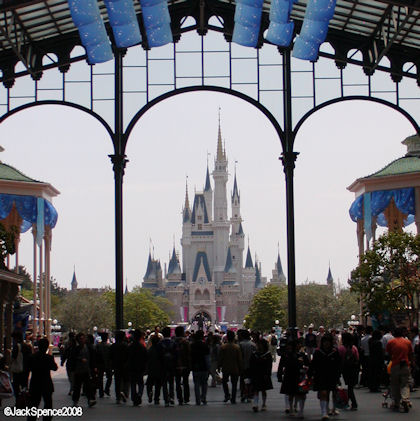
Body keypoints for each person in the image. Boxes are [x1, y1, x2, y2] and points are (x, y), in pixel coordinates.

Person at [309, 334, 341, 420]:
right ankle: (324, 411)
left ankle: (334, 408)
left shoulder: (335, 352)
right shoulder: (318, 352)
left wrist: (338, 376)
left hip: (332, 376)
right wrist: (310, 375)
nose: (326, 344)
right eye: (324, 342)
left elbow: (339, 365)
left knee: (334, 393)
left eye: (328, 342)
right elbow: (313, 365)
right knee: (324, 393)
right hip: (321, 376)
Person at [27, 338, 57, 421]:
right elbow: (55, 368)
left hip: (35, 383)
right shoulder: (49, 358)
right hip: (46, 383)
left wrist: (25, 384)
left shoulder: (32, 357)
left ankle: (31, 419)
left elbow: (27, 370)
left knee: (33, 404)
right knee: (48, 404)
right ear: (47, 347)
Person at [278, 339, 309, 418]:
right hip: (290, 376)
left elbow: (308, 365)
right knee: (291, 393)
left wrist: (308, 372)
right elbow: (281, 365)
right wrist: (280, 375)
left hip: (301, 376)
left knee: (302, 394)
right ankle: (291, 408)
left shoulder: (303, 355)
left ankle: (300, 410)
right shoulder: (287, 355)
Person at [386, 326, 414, 412]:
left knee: (395, 384)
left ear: (394, 334)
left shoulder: (391, 342)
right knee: (405, 384)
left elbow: (388, 354)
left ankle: (396, 403)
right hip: (405, 365)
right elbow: (411, 354)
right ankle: (405, 399)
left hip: (395, 365)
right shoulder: (407, 342)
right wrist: (411, 363)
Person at [69, 332, 97, 407]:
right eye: (80, 339)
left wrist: (94, 367)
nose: (82, 340)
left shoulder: (89, 348)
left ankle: (90, 399)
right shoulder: (75, 349)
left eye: (83, 338)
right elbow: (72, 358)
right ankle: (75, 401)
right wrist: (80, 359)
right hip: (78, 370)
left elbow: (92, 358)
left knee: (88, 386)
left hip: (86, 370)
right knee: (77, 386)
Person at [218, 330, 242, 404]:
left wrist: (219, 366)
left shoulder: (223, 347)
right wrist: (241, 368)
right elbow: (239, 359)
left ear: (227, 338)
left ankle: (227, 395)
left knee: (224, 382)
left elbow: (220, 358)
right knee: (234, 383)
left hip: (225, 367)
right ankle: (233, 398)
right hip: (235, 367)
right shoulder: (237, 347)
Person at [249, 338, 273, 412]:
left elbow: (269, 366)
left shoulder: (267, 355)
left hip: (264, 374)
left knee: (263, 390)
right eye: (258, 344)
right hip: (256, 373)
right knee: (256, 389)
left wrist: (268, 374)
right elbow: (251, 364)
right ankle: (255, 404)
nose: (258, 346)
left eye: (260, 344)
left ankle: (264, 404)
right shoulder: (254, 354)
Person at [338, 332, 359, 410]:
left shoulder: (341, 348)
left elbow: (338, 360)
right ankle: (351, 403)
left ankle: (352, 403)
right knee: (350, 387)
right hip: (353, 369)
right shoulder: (354, 348)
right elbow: (357, 359)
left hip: (345, 370)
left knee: (348, 387)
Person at [128, 329, 148, 406]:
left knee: (133, 383)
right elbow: (146, 357)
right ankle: (139, 394)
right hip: (140, 367)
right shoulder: (142, 347)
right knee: (140, 383)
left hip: (132, 367)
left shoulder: (130, 347)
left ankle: (134, 397)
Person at [190, 330, 210, 405]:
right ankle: (203, 397)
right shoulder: (205, 345)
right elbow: (207, 357)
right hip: (204, 366)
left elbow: (190, 357)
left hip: (195, 366)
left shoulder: (192, 345)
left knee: (196, 384)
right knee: (204, 383)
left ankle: (197, 400)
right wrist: (209, 367)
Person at [110, 330, 130, 404]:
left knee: (117, 381)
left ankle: (118, 396)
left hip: (116, 365)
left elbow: (110, 357)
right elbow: (128, 356)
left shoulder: (113, 346)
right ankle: (125, 392)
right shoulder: (126, 346)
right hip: (125, 365)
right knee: (126, 380)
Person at [159, 326, 176, 407]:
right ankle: (172, 397)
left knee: (164, 383)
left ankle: (166, 399)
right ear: (170, 333)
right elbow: (176, 355)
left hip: (162, 365)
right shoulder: (173, 343)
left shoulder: (160, 343)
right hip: (172, 364)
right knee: (171, 382)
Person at [173, 325, 191, 405]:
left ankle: (180, 398)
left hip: (176, 365)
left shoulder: (173, 342)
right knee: (185, 382)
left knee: (177, 382)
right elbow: (189, 353)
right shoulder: (186, 342)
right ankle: (186, 398)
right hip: (185, 364)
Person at [238, 329, 256, 403]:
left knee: (243, 381)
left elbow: (239, 356)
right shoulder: (253, 344)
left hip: (243, 366)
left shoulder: (240, 345)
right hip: (252, 366)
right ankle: (250, 395)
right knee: (251, 381)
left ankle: (243, 394)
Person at [146, 334, 163, 405]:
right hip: (159, 369)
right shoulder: (161, 350)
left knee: (149, 383)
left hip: (151, 369)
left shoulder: (149, 350)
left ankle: (150, 392)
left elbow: (146, 360)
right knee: (158, 385)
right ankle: (156, 398)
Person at [95, 331, 112, 398]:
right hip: (107, 364)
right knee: (109, 377)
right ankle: (106, 389)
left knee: (100, 378)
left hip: (100, 364)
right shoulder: (109, 346)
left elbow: (95, 355)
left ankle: (101, 392)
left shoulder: (98, 346)